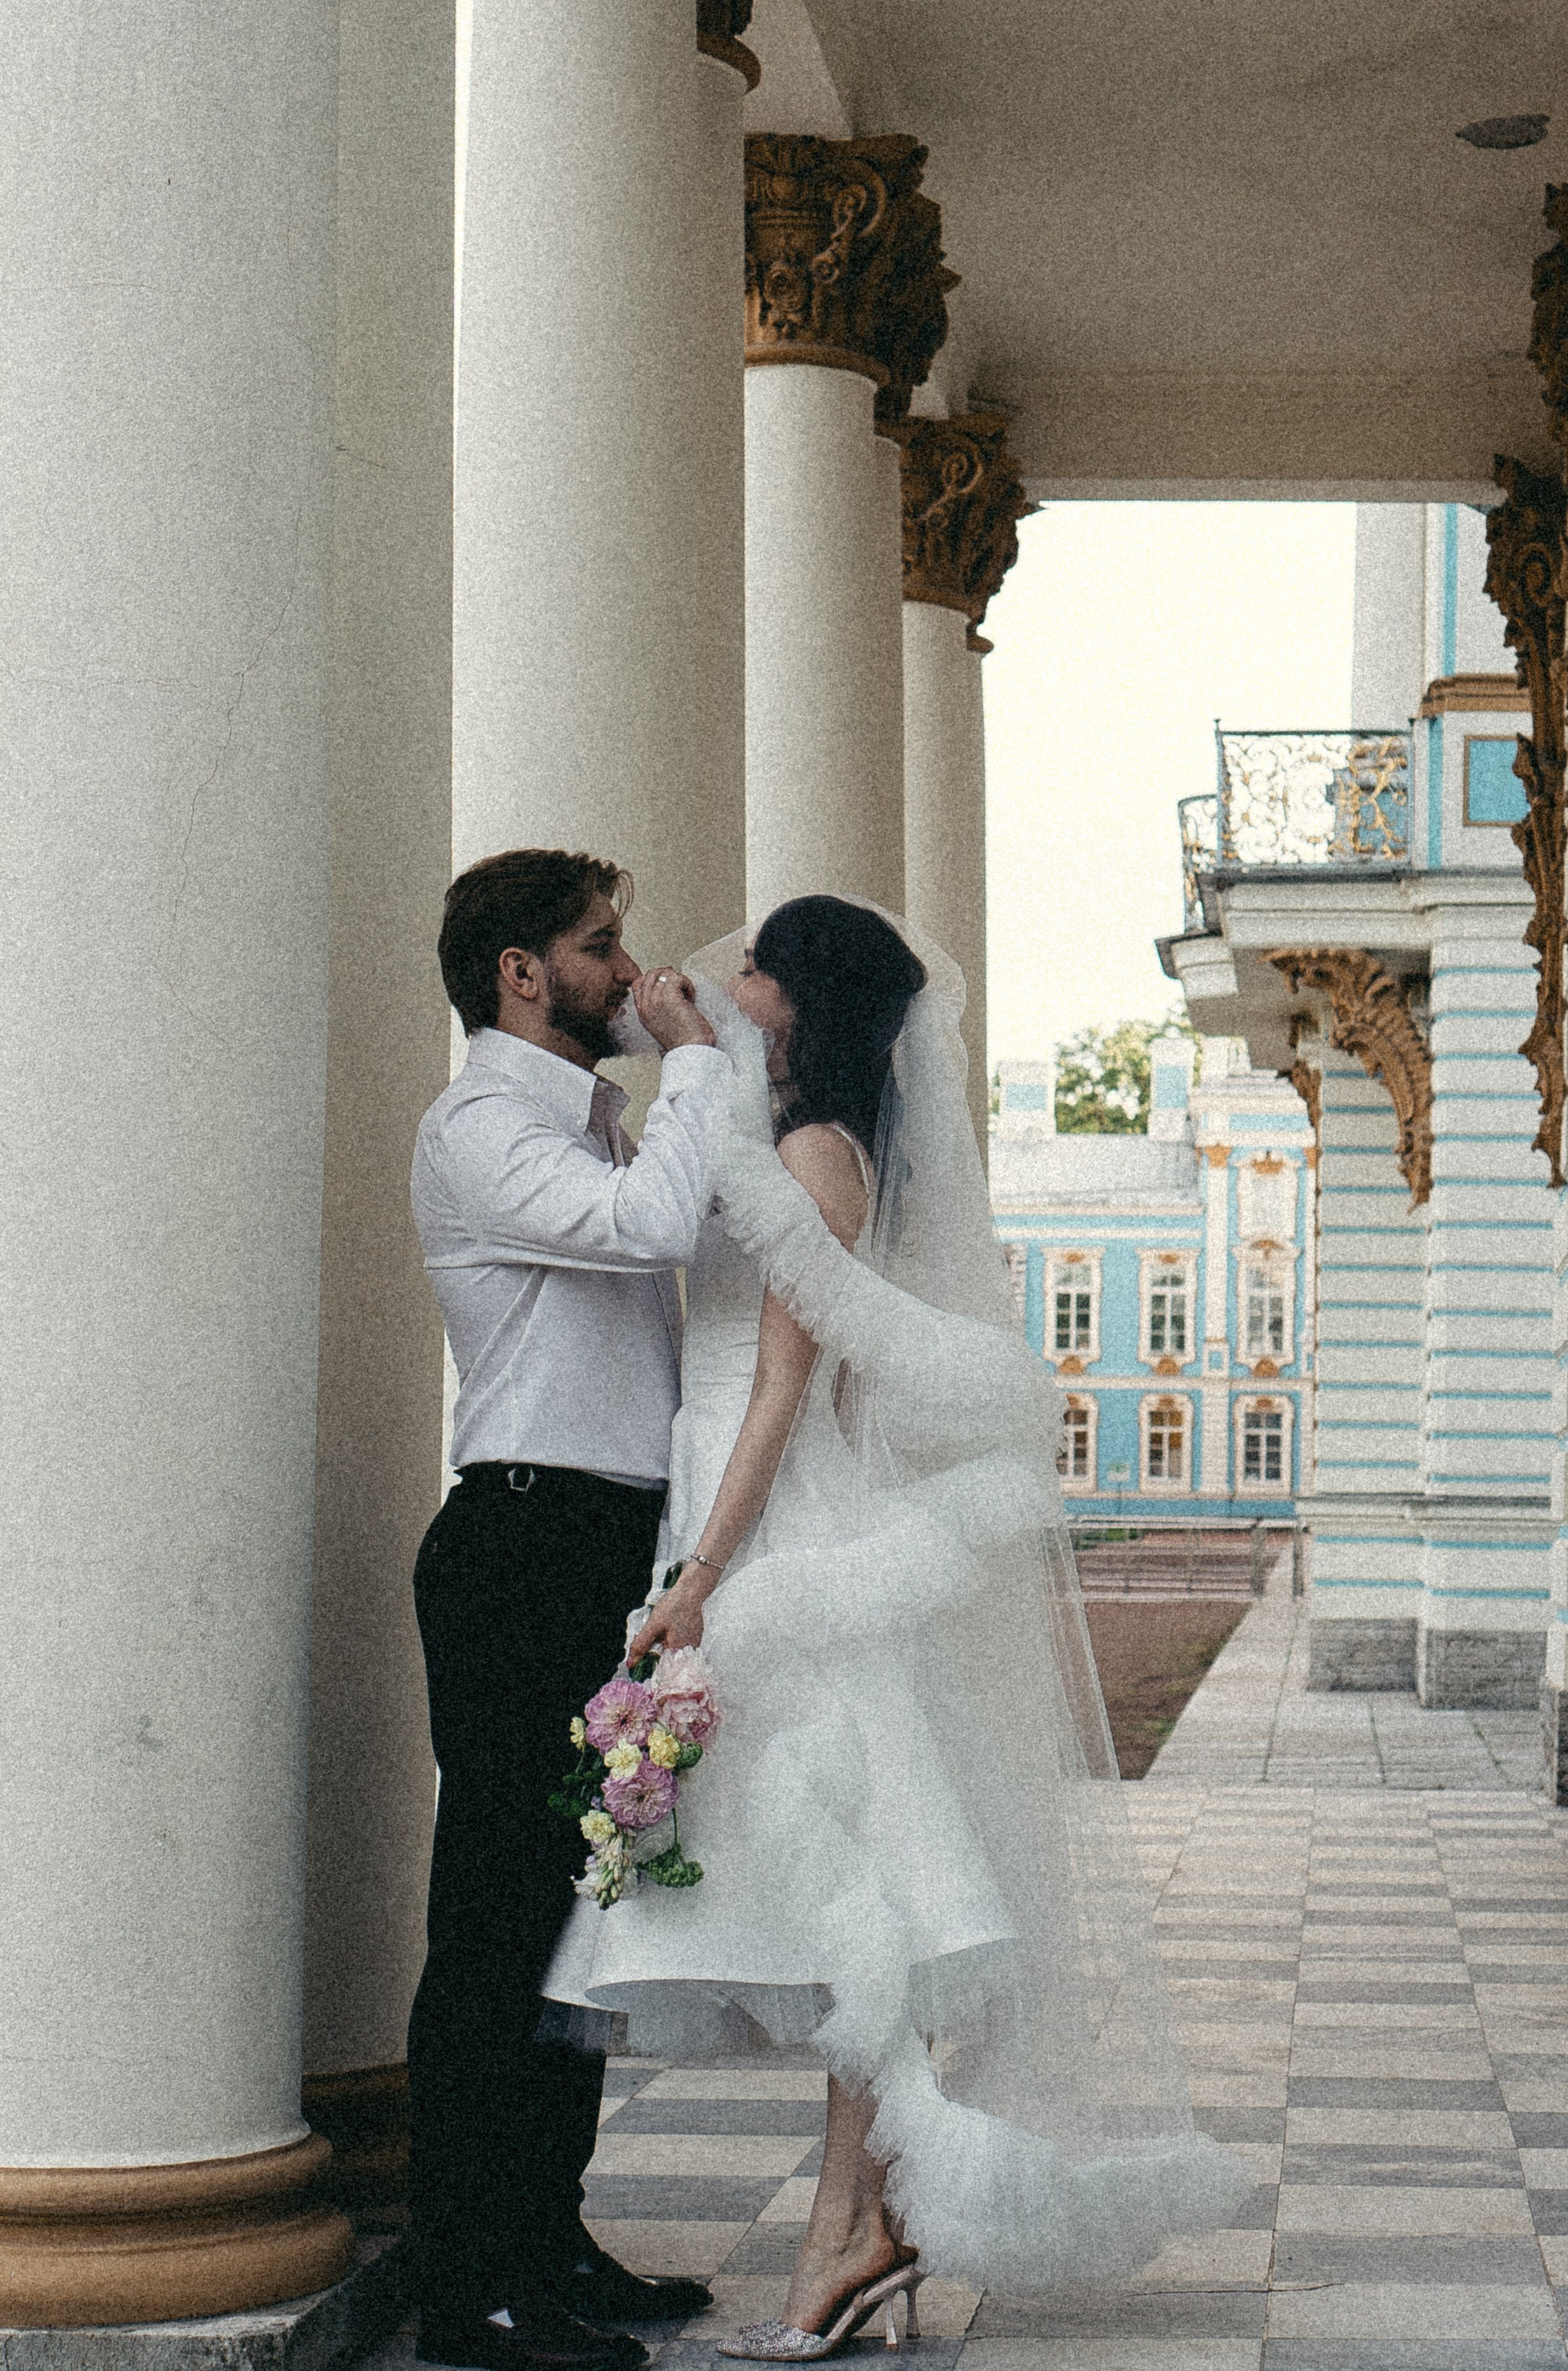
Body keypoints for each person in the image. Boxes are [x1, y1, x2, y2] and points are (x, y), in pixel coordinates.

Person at [544, 897, 1248, 2359]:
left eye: (755, 969)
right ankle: (856, 2227)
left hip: (778, 1517)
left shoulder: (814, 1155)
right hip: (724, 1493)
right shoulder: (773, 1134)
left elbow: (780, 1388)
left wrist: (705, 1573)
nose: (727, 978)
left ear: (799, 1004)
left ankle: (845, 2232)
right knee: (840, 1891)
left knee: (877, 1888)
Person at [406, 848, 733, 2371]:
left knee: (577, 1918)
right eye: (601, 946)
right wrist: (698, 1064)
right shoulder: (482, 1125)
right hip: (522, 1547)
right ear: (521, 972)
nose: (628, 969)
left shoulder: (589, 1123)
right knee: (494, 1926)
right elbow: (652, 1229)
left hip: (602, 1550)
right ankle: (467, 2287)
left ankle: (546, 2238)